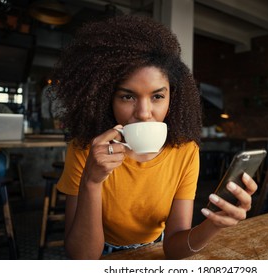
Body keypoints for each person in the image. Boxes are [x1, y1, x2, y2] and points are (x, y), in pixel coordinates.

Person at [52, 15, 257, 260]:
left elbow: (173, 247)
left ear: (174, 99)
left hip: (155, 252)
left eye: (157, 97)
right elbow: (82, 258)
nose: (144, 113)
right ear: (106, 98)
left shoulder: (185, 151)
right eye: (127, 97)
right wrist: (92, 181)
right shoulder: (86, 149)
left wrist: (214, 224)